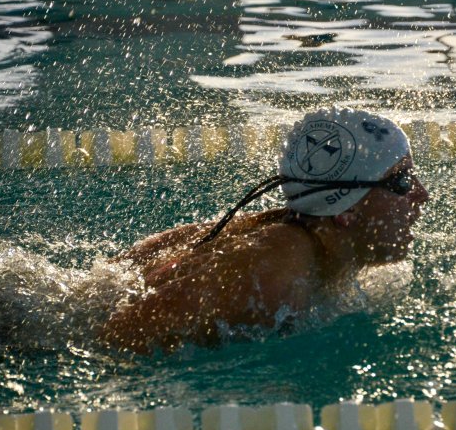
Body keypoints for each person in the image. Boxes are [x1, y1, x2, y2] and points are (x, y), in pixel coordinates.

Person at [101, 108, 429, 354]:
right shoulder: (275, 273)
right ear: (345, 210)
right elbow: (116, 337)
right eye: (400, 182)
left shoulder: (298, 237)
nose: (421, 194)